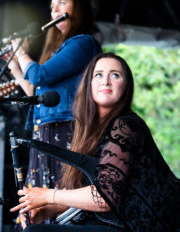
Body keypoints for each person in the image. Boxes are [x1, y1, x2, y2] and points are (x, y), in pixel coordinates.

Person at [10, 52, 180, 232]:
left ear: (126, 86)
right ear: (88, 84)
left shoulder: (126, 126)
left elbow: (105, 197)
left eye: (115, 75)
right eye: (98, 75)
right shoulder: (89, 133)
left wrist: (48, 195)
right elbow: (89, 194)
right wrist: (47, 211)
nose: (105, 81)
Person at [3, 0, 102, 191]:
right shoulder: (59, 50)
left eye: (62, 3)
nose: (55, 10)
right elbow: (33, 91)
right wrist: (14, 66)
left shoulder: (83, 43)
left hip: (65, 127)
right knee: (40, 192)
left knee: (59, 191)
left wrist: (21, 52)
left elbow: (40, 75)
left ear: (78, 8)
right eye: (52, 6)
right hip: (45, 128)